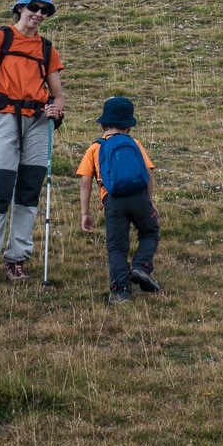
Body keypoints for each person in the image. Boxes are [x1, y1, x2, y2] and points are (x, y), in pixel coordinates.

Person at [0, 0, 66, 290]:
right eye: (34, 7)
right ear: (20, 7)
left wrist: (56, 108)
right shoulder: (0, 37)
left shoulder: (46, 48)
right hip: (4, 117)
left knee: (28, 191)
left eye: (45, 10)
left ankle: (16, 259)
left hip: (37, 121)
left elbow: (58, 94)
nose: (39, 14)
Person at [78, 97, 160, 304]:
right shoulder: (135, 144)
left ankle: (121, 291)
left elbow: (85, 182)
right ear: (129, 126)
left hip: (113, 202)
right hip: (140, 199)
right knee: (150, 232)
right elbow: (149, 176)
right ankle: (141, 267)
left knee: (117, 247)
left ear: (103, 124)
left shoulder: (95, 148)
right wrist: (149, 201)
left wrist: (85, 213)